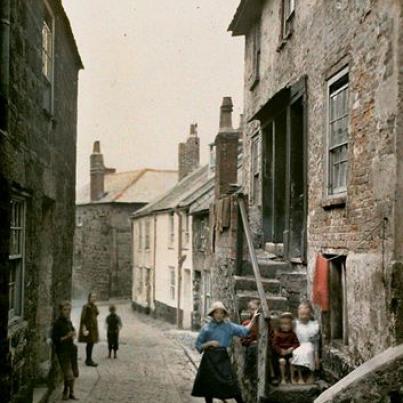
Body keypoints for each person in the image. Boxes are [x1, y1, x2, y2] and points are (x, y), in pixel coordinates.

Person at [191, 301, 260, 403]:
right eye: (216, 313)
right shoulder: (206, 328)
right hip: (209, 360)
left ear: (224, 314)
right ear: (212, 314)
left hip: (223, 359)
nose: (219, 315)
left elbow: (244, 330)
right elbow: (198, 345)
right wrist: (209, 343)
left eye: (221, 313)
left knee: (232, 384)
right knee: (208, 387)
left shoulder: (229, 326)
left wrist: (253, 319)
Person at [51, 301, 79, 401]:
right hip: (62, 351)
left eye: (69, 310)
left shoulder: (68, 321)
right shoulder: (57, 323)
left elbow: (72, 329)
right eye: (65, 310)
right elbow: (55, 339)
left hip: (71, 349)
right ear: (61, 311)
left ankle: (70, 392)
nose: (67, 312)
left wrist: (73, 333)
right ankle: (65, 392)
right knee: (69, 374)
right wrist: (67, 336)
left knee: (75, 372)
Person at [290, 301, 320, 384]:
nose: (303, 317)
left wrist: (317, 355)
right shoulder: (295, 324)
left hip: (310, 345)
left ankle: (311, 374)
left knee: (309, 352)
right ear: (298, 314)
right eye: (301, 314)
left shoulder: (314, 325)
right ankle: (300, 377)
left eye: (306, 314)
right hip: (299, 344)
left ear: (310, 314)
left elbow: (316, 342)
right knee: (297, 352)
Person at [272, 312, 300, 385]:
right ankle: (283, 378)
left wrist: (292, 348)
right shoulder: (278, 334)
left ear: (291, 325)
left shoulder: (292, 334)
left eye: (288, 324)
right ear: (280, 325)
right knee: (282, 361)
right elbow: (275, 344)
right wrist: (280, 351)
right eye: (283, 324)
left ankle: (292, 378)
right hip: (281, 354)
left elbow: (296, 343)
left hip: (290, 353)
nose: (285, 326)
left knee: (292, 361)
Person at [78, 292, 99, 367]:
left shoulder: (94, 306)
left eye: (95, 297)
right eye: (92, 297)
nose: (94, 298)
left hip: (93, 328)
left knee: (91, 343)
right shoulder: (86, 306)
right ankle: (88, 360)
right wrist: (84, 328)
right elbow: (83, 318)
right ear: (89, 298)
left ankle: (89, 359)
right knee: (89, 343)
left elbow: (96, 314)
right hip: (88, 328)